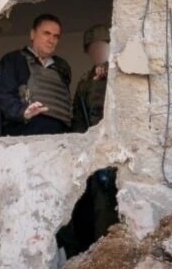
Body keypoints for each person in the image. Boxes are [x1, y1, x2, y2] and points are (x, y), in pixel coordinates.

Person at [56, 24, 118, 260]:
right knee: (90, 209)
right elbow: (79, 121)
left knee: (109, 211)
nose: (98, 52)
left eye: (102, 46)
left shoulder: (120, 75)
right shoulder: (85, 81)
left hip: (116, 154)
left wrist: (107, 77)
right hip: (92, 156)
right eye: (93, 48)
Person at [0, 13, 72, 136]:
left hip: (60, 135)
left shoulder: (62, 67)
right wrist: (23, 112)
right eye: (46, 33)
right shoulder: (14, 60)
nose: (51, 40)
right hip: (27, 133)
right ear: (33, 34)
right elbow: (5, 96)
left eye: (56, 36)